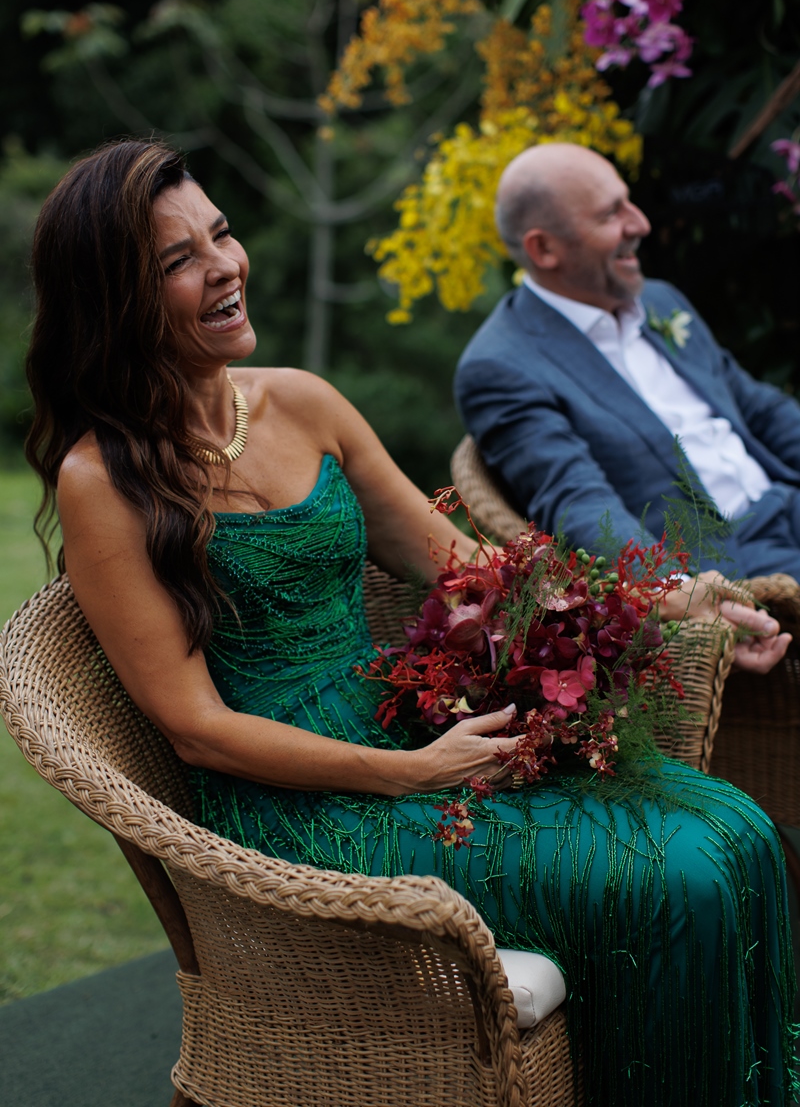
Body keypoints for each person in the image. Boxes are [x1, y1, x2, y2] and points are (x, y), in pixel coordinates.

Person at [26, 139, 797, 1107]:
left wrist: (668, 601)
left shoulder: (300, 403)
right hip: (301, 810)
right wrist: (413, 772)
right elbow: (195, 727)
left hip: (404, 726)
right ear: (114, 297)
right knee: (677, 877)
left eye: (220, 235)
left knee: (737, 830)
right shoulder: (103, 482)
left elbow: (479, 571)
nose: (224, 265)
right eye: (178, 261)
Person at [455, 142, 800, 584]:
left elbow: (757, 407)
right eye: (610, 214)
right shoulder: (501, 368)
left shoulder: (659, 298)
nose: (641, 223)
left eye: (628, 202)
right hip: (733, 565)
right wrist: (678, 594)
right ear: (544, 250)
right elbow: (579, 504)